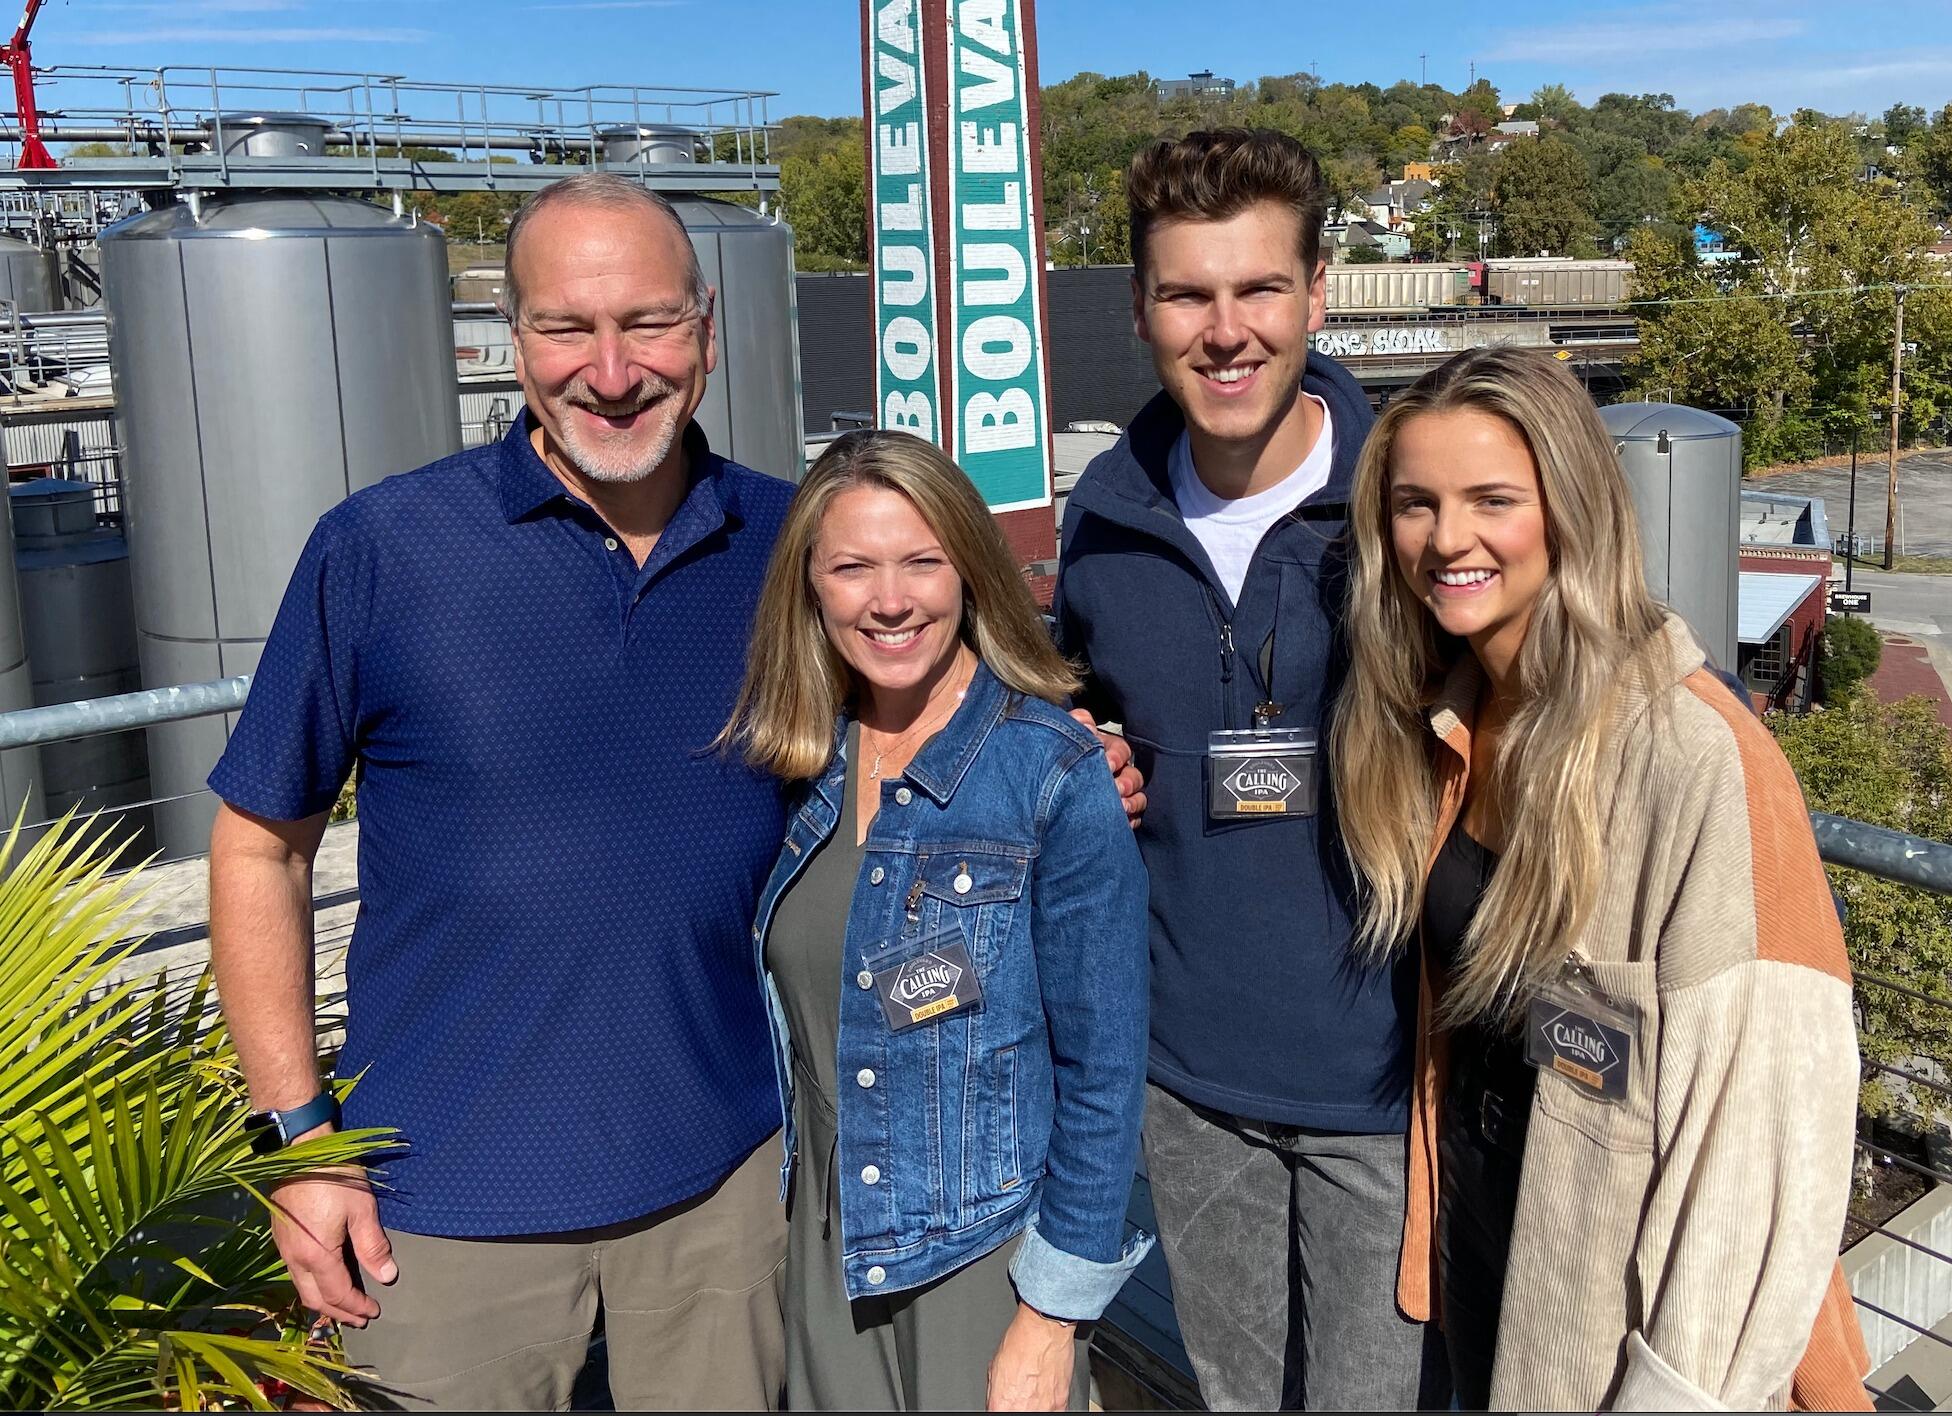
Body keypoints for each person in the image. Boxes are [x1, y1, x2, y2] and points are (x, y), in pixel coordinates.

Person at [208, 173, 796, 1409]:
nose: (613, 369)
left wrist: (1076, 762)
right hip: (440, 1203)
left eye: (648, 323)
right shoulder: (383, 549)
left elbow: (932, 721)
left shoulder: (788, 546)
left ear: (705, 326)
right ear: (511, 336)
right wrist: (298, 1145)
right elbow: (260, 848)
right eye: (565, 327)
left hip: (724, 1183)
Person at [1330, 344, 1873, 1410]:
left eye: (1493, 499)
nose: (1448, 540)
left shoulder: (1696, 756)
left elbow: (1757, 1140)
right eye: (1415, 505)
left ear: (1573, 509)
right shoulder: (1448, 719)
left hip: (1616, 1338)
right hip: (1489, 1265)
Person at [1053, 128, 1440, 1410]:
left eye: (1259, 288)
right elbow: (1071, 710)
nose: (1227, 331)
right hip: (1193, 1088)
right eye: (1188, 294)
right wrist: (1084, 750)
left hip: (1390, 1089)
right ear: (1142, 310)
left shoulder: (1411, 504)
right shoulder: (1101, 526)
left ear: (1317, 293)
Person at [723, 429, 1151, 1412]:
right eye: (853, 566)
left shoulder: (1049, 772)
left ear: (970, 571)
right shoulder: (798, 766)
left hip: (983, 1263)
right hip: (825, 1247)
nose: (890, 599)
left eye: (922, 561)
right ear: (810, 586)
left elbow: (1104, 1078)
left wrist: (1052, 1321)